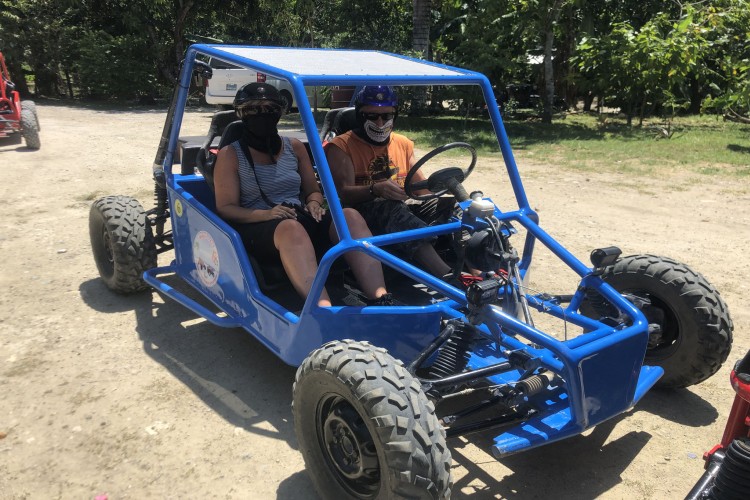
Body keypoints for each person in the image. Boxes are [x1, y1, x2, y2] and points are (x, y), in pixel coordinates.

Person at [213, 82, 392, 307]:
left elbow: (313, 190)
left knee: (349, 216)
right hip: (256, 224)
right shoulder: (230, 155)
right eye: (253, 109)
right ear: (241, 114)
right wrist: (267, 214)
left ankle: (381, 297)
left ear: (279, 112)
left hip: (298, 215)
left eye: (269, 109)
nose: (262, 114)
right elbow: (226, 208)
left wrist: (315, 203)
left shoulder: (294, 147)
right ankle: (321, 308)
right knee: (290, 228)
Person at [326, 85, 453, 278]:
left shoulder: (403, 143)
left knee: (455, 206)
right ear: (360, 116)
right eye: (372, 116)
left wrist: (442, 186)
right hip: (361, 214)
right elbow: (343, 193)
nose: (379, 122)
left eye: (386, 116)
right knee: (390, 207)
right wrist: (375, 189)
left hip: (402, 206)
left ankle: (482, 269)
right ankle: (446, 276)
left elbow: (421, 188)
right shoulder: (341, 146)